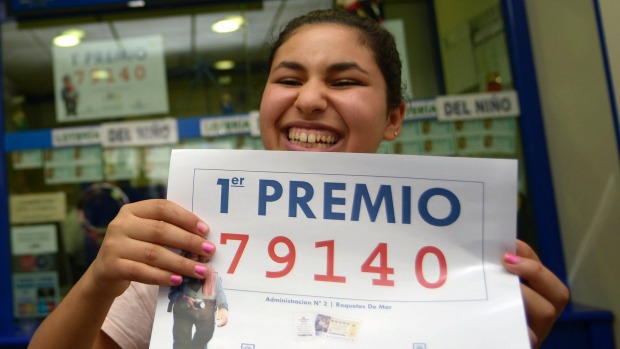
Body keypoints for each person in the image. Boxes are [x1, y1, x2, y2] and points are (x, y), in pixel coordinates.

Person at [28, 8, 569, 349]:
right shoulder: (189, 240)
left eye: (344, 80)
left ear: (394, 118)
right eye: (288, 78)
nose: (309, 99)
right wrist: (101, 279)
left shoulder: (455, 261)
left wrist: (499, 335)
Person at [167, 252, 228, 349]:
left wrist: (223, 308)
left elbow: (220, 292)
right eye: (191, 256)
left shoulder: (213, 276)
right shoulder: (180, 276)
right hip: (183, 310)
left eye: (199, 258)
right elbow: (172, 294)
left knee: (205, 335)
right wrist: (182, 298)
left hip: (206, 312)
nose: (195, 260)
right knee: (181, 340)